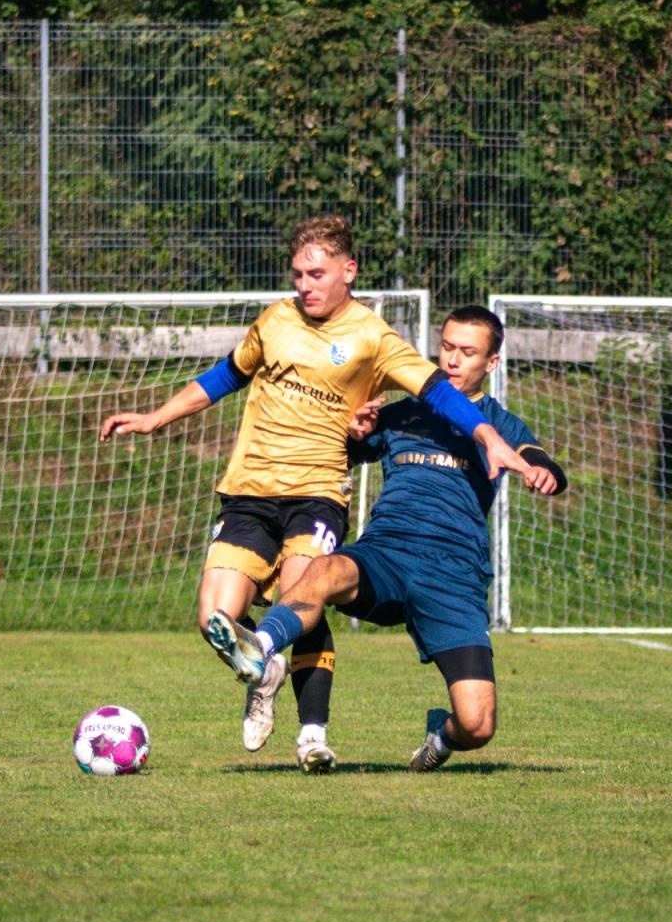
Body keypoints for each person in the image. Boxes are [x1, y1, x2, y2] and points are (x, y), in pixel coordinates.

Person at [99, 216, 544, 773]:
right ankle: (265, 670)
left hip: (317, 491)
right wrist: (154, 417)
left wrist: (488, 437)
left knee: (306, 591)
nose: (304, 285)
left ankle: (310, 731)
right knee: (214, 617)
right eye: (297, 274)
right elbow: (225, 377)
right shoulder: (275, 320)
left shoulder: (374, 338)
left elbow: (437, 392)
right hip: (250, 487)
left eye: (316, 274)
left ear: (348, 270)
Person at [204, 305, 567, 772]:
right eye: (447, 347)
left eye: (468, 352)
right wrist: (355, 430)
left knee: (477, 725)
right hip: (386, 555)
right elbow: (343, 453)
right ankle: (262, 648)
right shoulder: (403, 414)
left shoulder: (501, 424)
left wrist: (543, 473)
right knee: (323, 569)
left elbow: (538, 457)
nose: (453, 359)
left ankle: (440, 736)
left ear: (492, 362)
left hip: (453, 577)